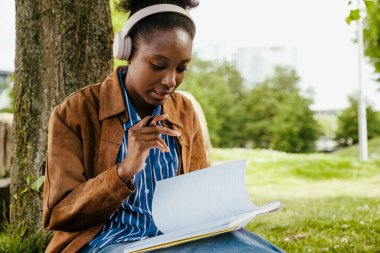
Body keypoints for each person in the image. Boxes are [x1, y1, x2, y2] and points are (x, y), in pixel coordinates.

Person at [42, 0, 284, 252]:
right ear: (126, 51)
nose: (170, 81)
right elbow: (60, 213)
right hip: (106, 242)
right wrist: (123, 171)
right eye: (158, 65)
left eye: (181, 69)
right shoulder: (75, 112)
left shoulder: (184, 111)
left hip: (175, 239)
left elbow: (198, 199)